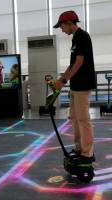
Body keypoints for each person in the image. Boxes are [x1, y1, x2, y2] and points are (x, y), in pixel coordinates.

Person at [53, 11, 96, 163]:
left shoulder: (83, 36)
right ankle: (79, 148)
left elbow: (79, 62)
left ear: (70, 23)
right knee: (75, 118)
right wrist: (61, 79)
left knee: (83, 119)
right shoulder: (76, 39)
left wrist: (63, 81)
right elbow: (72, 64)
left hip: (83, 85)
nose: (62, 29)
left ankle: (88, 153)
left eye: (62, 26)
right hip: (76, 86)